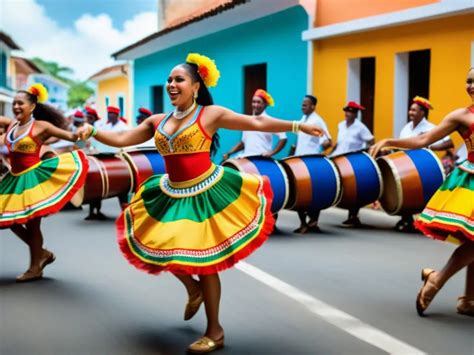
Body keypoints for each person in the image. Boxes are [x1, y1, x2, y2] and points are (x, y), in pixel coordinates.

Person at [78, 53, 324, 353]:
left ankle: (215, 330)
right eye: (169, 79)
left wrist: (298, 127)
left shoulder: (210, 114)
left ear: (195, 86)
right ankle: (192, 288)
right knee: (159, 248)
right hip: (171, 192)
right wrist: (92, 131)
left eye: (178, 79)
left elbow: (257, 121)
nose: (171, 84)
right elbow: (123, 138)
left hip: (205, 192)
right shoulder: (158, 120)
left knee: (206, 264)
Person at [370, 67, 474, 317]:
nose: (472, 86)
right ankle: (436, 280)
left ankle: (468, 300)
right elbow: (422, 140)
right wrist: (389, 141)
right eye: (469, 80)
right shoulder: (461, 116)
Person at [0, 84, 88, 282]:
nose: (15, 106)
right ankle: (41, 253)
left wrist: (84, 133)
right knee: (9, 221)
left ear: (32, 107)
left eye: (20, 103)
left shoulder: (41, 126)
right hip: (14, 179)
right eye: (14, 103)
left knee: (32, 225)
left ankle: (35, 268)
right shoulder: (12, 126)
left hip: (32, 179)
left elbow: (73, 137)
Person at [395, 96, 454, 232]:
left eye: (414, 110)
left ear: (422, 112)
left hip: (423, 166)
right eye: (410, 110)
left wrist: (430, 146)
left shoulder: (432, 128)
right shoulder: (406, 128)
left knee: (425, 194)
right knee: (406, 190)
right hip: (407, 165)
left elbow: (449, 143)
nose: (411, 112)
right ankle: (407, 219)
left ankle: (427, 222)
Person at [293, 94, 332, 234]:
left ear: (313, 106)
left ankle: (312, 222)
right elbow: (299, 140)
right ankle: (304, 223)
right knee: (299, 193)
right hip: (298, 162)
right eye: (302, 104)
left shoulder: (317, 121)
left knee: (313, 194)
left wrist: (318, 153)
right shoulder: (303, 119)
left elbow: (328, 142)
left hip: (311, 163)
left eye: (305, 104)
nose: (302, 106)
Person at [331, 101, 374, 227]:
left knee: (353, 188)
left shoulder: (360, 127)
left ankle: (353, 215)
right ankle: (348, 212)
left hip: (352, 161)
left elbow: (371, 140)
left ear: (355, 114)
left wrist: (364, 153)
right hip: (339, 159)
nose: (347, 114)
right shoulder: (341, 125)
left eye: (350, 112)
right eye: (346, 111)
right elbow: (339, 143)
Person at [85, 105, 130, 220]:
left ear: (117, 115)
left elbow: (126, 143)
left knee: (121, 187)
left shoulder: (123, 127)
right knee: (97, 184)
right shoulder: (106, 125)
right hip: (103, 157)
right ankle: (94, 212)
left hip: (118, 159)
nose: (110, 116)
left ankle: (125, 213)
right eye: (108, 114)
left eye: (112, 114)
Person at [222, 89, 287, 159]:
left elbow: (283, 137)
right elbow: (243, 143)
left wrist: (272, 152)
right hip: (247, 159)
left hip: (262, 159)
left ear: (265, 104)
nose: (255, 105)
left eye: (259, 102)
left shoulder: (269, 120)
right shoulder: (247, 121)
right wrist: (229, 153)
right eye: (254, 102)